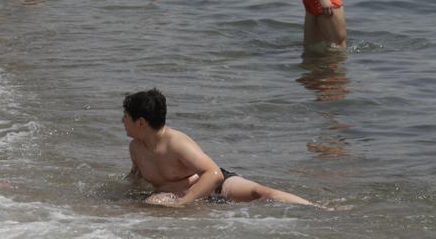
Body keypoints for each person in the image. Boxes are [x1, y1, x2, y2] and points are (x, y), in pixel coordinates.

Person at [123, 88, 315, 207]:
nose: (122, 121)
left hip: (216, 188)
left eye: (126, 116)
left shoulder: (176, 143)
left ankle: (319, 209)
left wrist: (183, 202)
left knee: (261, 193)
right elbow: (136, 177)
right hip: (188, 198)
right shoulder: (136, 148)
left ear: (141, 122)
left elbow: (214, 174)